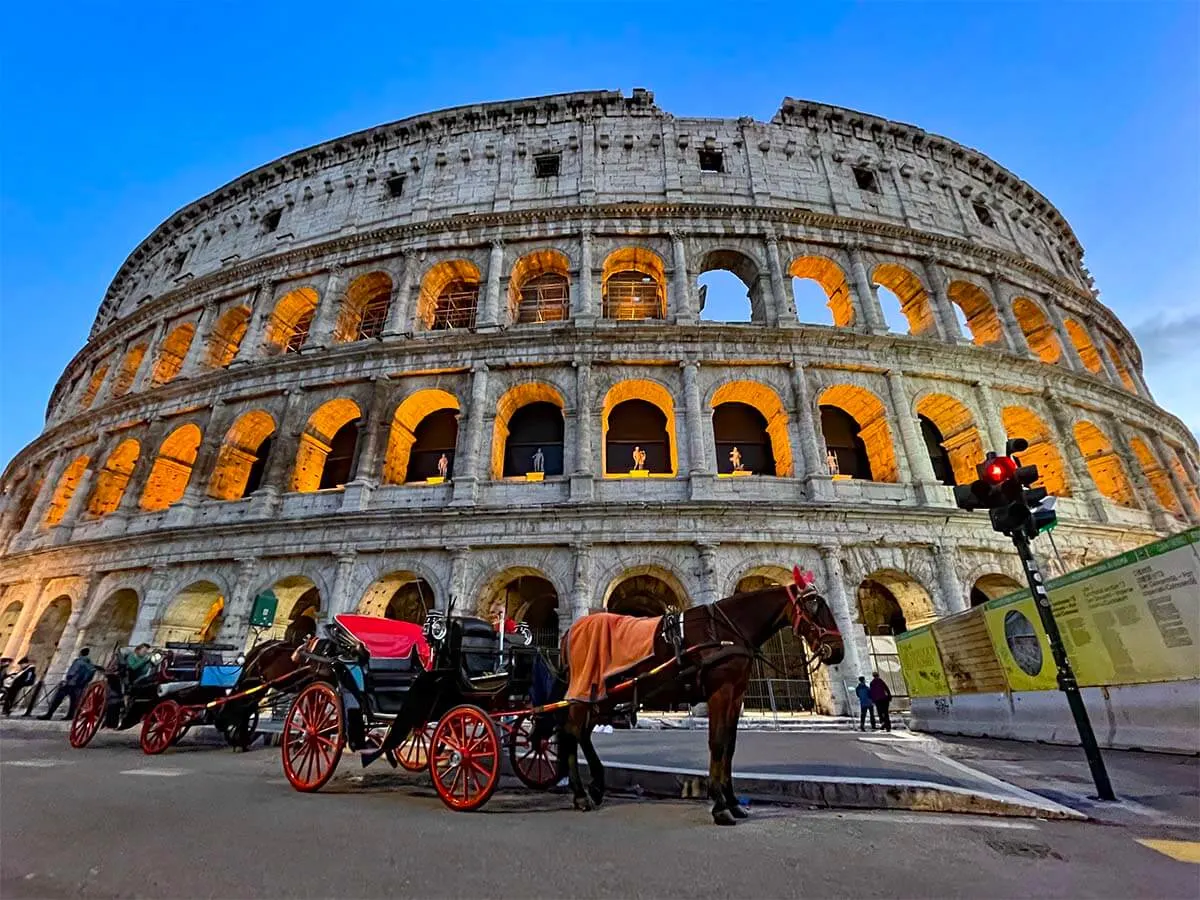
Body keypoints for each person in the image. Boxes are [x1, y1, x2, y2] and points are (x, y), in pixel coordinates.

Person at [39, 648, 97, 720]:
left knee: (58, 698)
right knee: (74, 701)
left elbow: (72, 672)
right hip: (80, 685)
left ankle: (49, 714)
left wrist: (67, 680)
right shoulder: (90, 664)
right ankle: (70, 715)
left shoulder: (78, 661)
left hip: (71, 683)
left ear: (81, 653)